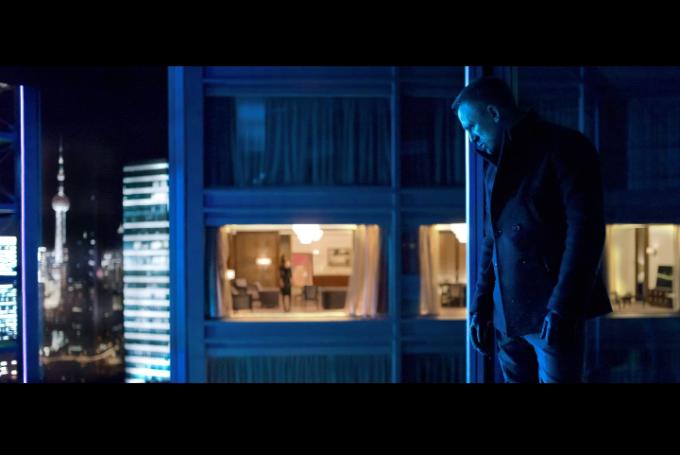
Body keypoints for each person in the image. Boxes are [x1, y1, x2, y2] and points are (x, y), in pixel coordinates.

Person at [452, 76, 612, 383]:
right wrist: (480, 307)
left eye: (472, 127)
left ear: (493, 113)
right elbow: (492, 240)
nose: (470, 139)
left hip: (550, 315)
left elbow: (586, 233)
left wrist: (564, 307)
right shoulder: (493, 168)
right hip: (507, 318)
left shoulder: (565, 147)